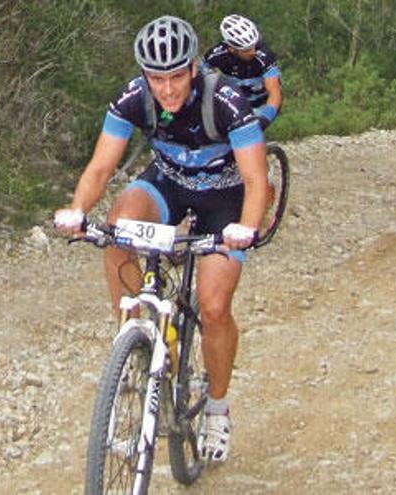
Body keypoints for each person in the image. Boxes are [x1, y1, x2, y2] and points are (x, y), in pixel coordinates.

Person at [53, 15, 268, 463]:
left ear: (193, 67)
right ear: (144, 75)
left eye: (175, 76)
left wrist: (245, 228)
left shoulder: (226, 101)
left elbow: (256, 180)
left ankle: (217, 408)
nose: (167, 89)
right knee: (116, 230)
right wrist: (77, 210)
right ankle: (136, 338)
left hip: (224, 197)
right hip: (168, 183)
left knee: (213, 306)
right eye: (156, 78)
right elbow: (100, 167)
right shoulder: (133, 98)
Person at [202, 14, 282, 131]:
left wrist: (264, 120)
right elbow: (197, 75)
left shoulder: (265, 56)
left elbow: (275, 93)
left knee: (248, 132)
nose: (253, 52)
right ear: (231, 49)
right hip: (235, 101)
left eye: (254, 45)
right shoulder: (216, 55)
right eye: (247, 50)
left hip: (261, 103)